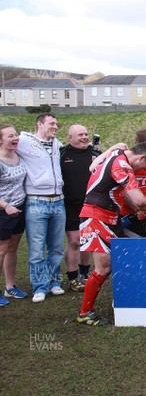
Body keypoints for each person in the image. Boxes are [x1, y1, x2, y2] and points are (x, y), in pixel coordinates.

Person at [77, 142, 146, 325]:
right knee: (103, 267)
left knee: (119, 261)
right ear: (141, 158)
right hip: (96, 216)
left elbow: (92, 167)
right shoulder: (123, 165)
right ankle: (85, 312)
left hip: (108, 217)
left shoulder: (117, 154)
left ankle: (125, 303)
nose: (145, 169)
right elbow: (139, 200)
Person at [18, 113, 66, 303]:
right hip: (36, 201)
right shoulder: (24, 141)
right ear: (39, 124)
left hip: (58, 201)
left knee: (56, 247)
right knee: (37, 248)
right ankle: (39, 286)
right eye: (51, 123)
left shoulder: (57, 144)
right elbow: (7, 145)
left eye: (56, 123)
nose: (55, 126)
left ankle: (54, 282)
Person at [60, 124, 101, 291]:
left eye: (86, 134)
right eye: (80, 135)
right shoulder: (62, 154)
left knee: (87, 242)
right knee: (75, 242)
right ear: (70, 137)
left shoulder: (95, 154)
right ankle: (73, 277)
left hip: (91, 206)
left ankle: (85, 274)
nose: (84, 137)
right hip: (70, 206)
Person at [0, 125, 28, 305]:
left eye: (16, 135)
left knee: (12, 249)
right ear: (1, 140)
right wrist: (6, 205)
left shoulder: (19, 156)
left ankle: (10, 287)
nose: (16, 138)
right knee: (1, 250)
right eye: (11, 136)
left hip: (19, 210)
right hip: (4, 212)